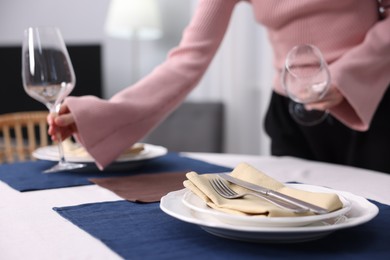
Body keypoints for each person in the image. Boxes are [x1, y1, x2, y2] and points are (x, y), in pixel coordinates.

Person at [48, 0, 390, 173]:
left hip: (370, 101)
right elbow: (189, 59)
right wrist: (100, 116)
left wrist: (344, 78)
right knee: (298, 222)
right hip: (291, 112)